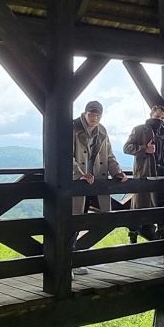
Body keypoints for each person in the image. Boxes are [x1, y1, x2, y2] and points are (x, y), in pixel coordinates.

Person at [72, 100, 127, 275]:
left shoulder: (102, 131)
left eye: (97, 115)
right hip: (74, 184)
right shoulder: (72, 128)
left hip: (95, 183)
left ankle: (74, 261)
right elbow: (65, 155)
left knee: (83, 222)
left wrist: (117, 172)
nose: (94, 118)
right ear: (85, 113)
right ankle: (65, 263)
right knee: (71, 222)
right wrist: (79, 173)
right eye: (91, 114)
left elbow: (109, 155)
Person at [123, 103, 164, 241]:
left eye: (163, 117)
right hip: (145, 175)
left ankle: (161, 240)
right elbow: (127, 148)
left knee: (163, 206)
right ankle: (136, 235)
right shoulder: (139, 130)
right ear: (151, 115)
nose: (160, 120)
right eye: (157, 116)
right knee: (142, 208)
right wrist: (144, 149)